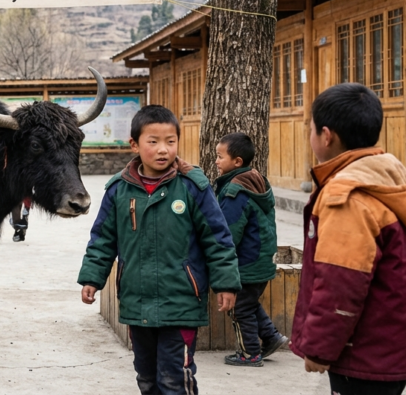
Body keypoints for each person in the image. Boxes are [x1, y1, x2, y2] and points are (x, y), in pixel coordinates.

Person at [78, 104, 239, 395]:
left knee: (175, 378)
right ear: (134, 144)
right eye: (153, 141)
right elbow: (102, 239)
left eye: (170, 141)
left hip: (181, 302)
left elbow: (217, 238)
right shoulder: (118, 189)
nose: (163, 149)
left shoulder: (193, 187)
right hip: (137, 302)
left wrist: (226, 283)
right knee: (147, 377)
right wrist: (92, 277)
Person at [291, 83, 406, 395]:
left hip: (363, 351)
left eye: (311, 129)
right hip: (393, 345)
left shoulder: (348, 196)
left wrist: (319, 349)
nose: (310, 136)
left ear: (327, 136)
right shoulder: (391, 177)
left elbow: (341, 281)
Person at [214, 132, 288, 367]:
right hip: (262, 259)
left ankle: (250, 354)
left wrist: (218, 258)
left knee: (240, 308)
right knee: (248, 302)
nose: (216, 161)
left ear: (237, 161)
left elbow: (228, 233)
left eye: (220, 157)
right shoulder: (256, 181)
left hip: (246, 262)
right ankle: (272, 337)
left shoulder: (235, 192)